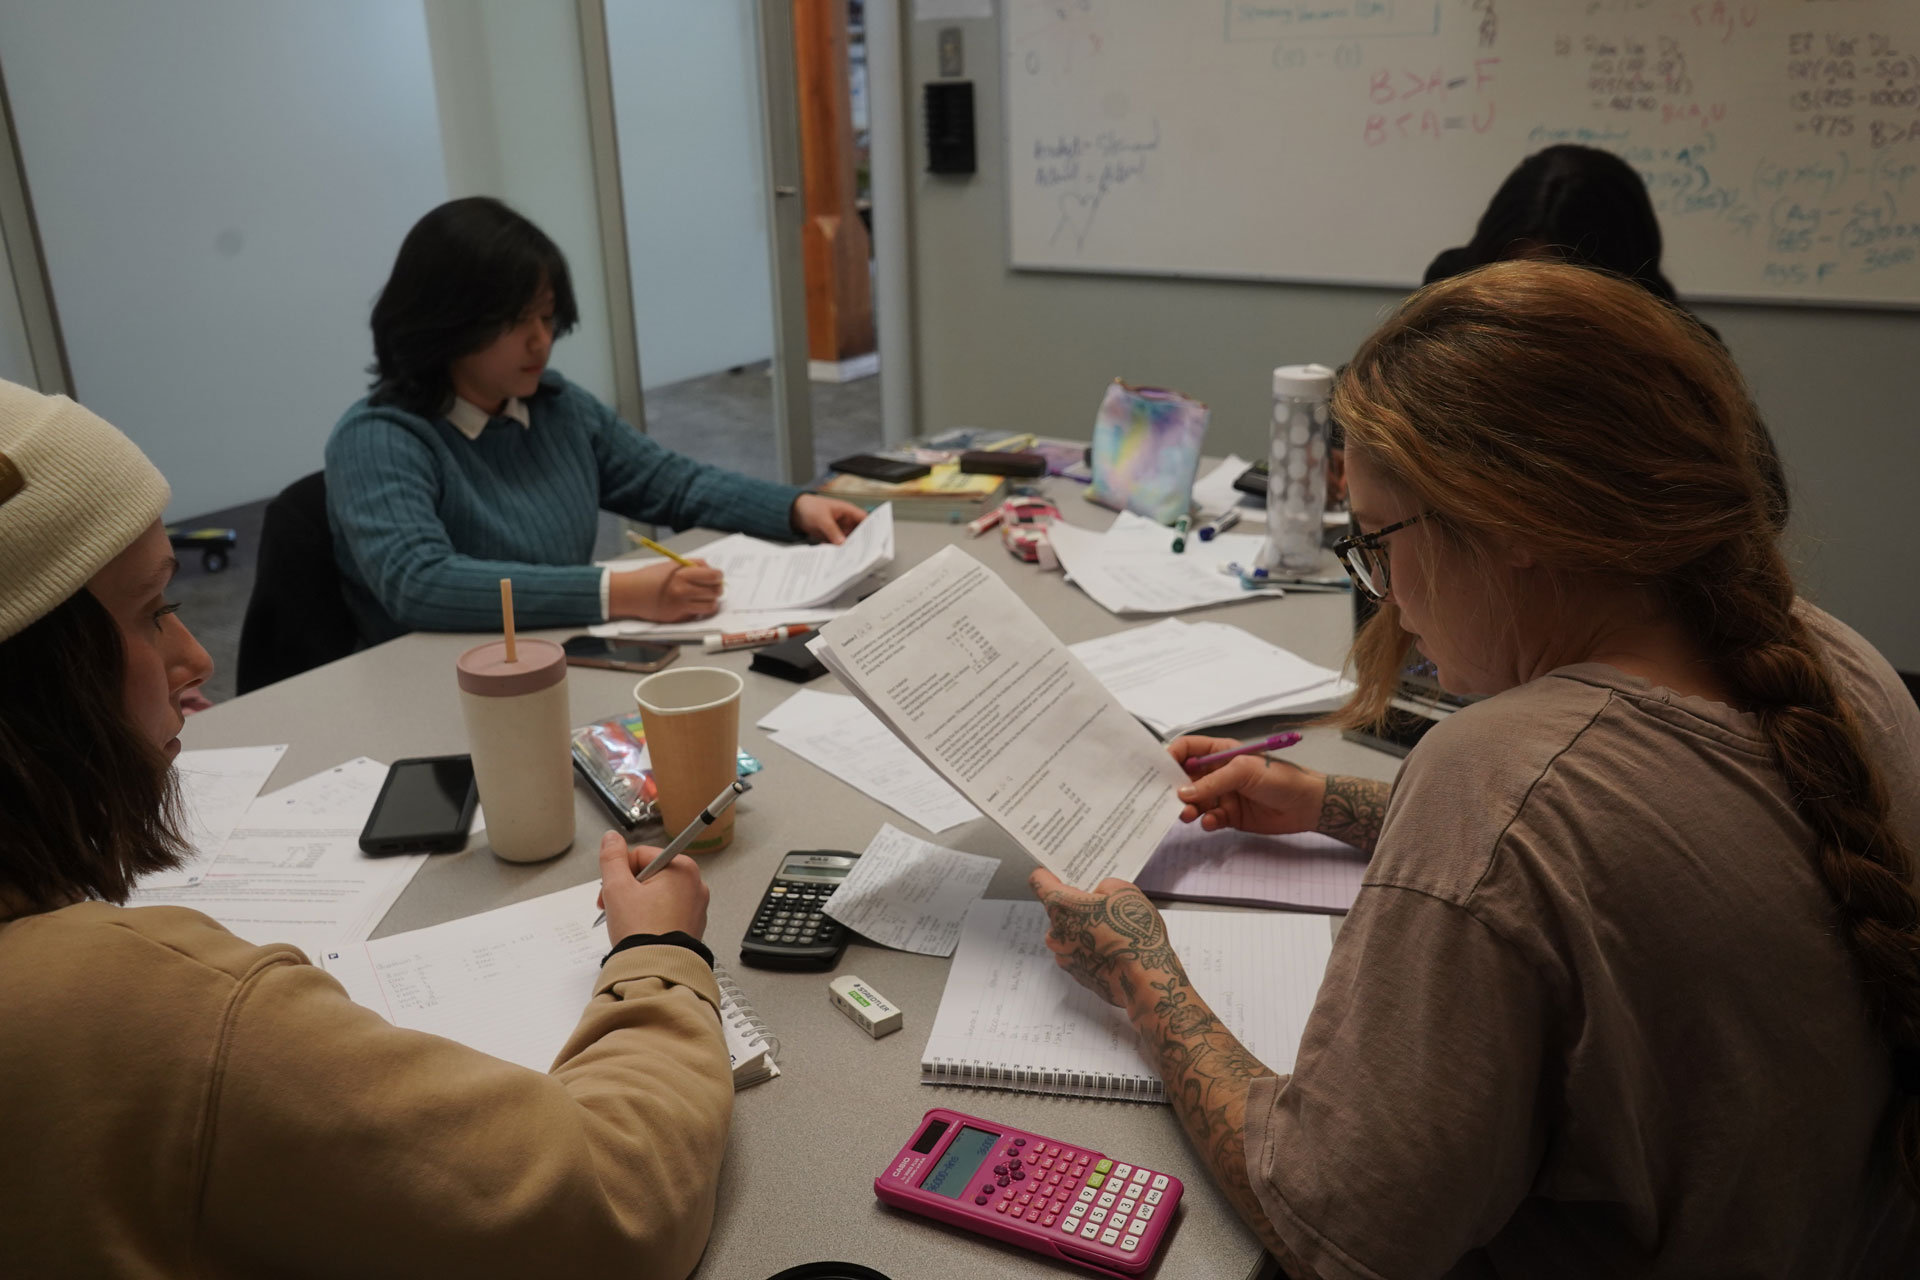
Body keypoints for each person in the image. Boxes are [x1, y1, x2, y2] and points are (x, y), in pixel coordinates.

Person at [1031, 261, 1920, 1276]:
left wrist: (1144, 977)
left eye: (1379, 540)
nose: (1385, 593)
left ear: (1513, 521)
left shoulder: (1495, 776)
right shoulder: (1833, 662)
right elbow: (1631, 855)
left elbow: (1342, 1218)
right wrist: (1331, 800)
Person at [0, 381, 735, 1276]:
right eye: (153, 611)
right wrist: (659, 955)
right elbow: (616, 1202)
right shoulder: (150, 1014)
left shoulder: (559, 411)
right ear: (38, 676)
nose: (195, 660)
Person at [327, 196, 867, 643]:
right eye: (517, 321)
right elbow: (420, 583)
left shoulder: (555, 406)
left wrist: (795, 507)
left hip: (559, 651)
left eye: (547, 316)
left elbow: (672, 483)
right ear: (446, 323)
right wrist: (617, 591)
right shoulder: (381, 438)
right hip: (439, 682)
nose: (542, 340)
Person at [1423, 143, 1791, 526]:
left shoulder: (1674, 346)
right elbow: (1379, 399)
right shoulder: (1452, 298)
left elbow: (1762, 501)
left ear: (1618, 284)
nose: (1532, 308)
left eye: (1564, 289)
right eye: (1520, 279)